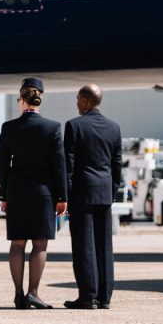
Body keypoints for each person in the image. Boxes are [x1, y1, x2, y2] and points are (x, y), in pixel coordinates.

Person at [0, 77, 68, 309]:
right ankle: (33, 293)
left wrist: (4, 195)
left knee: (17, 244)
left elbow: (3, 166)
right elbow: (59, 165)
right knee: (40, 245)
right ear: (40, 99)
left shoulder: (8, 128)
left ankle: (18, 294)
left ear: (21, 100)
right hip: (43, 194)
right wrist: (62, 197)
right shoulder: (52, 127)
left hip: (17, 192)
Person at [64, 84, 122, 310]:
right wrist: (112, 191)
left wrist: (66, 195)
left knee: (84, 246)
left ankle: (87, 296)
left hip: (82, 193)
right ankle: (104, 297)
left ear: (86, 101)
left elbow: (69, 165)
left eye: (78, 99)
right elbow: (116, 165)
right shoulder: (114, 128)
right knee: (104, 246)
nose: (76, 103)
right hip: (104, 193)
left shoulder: (74, 126)